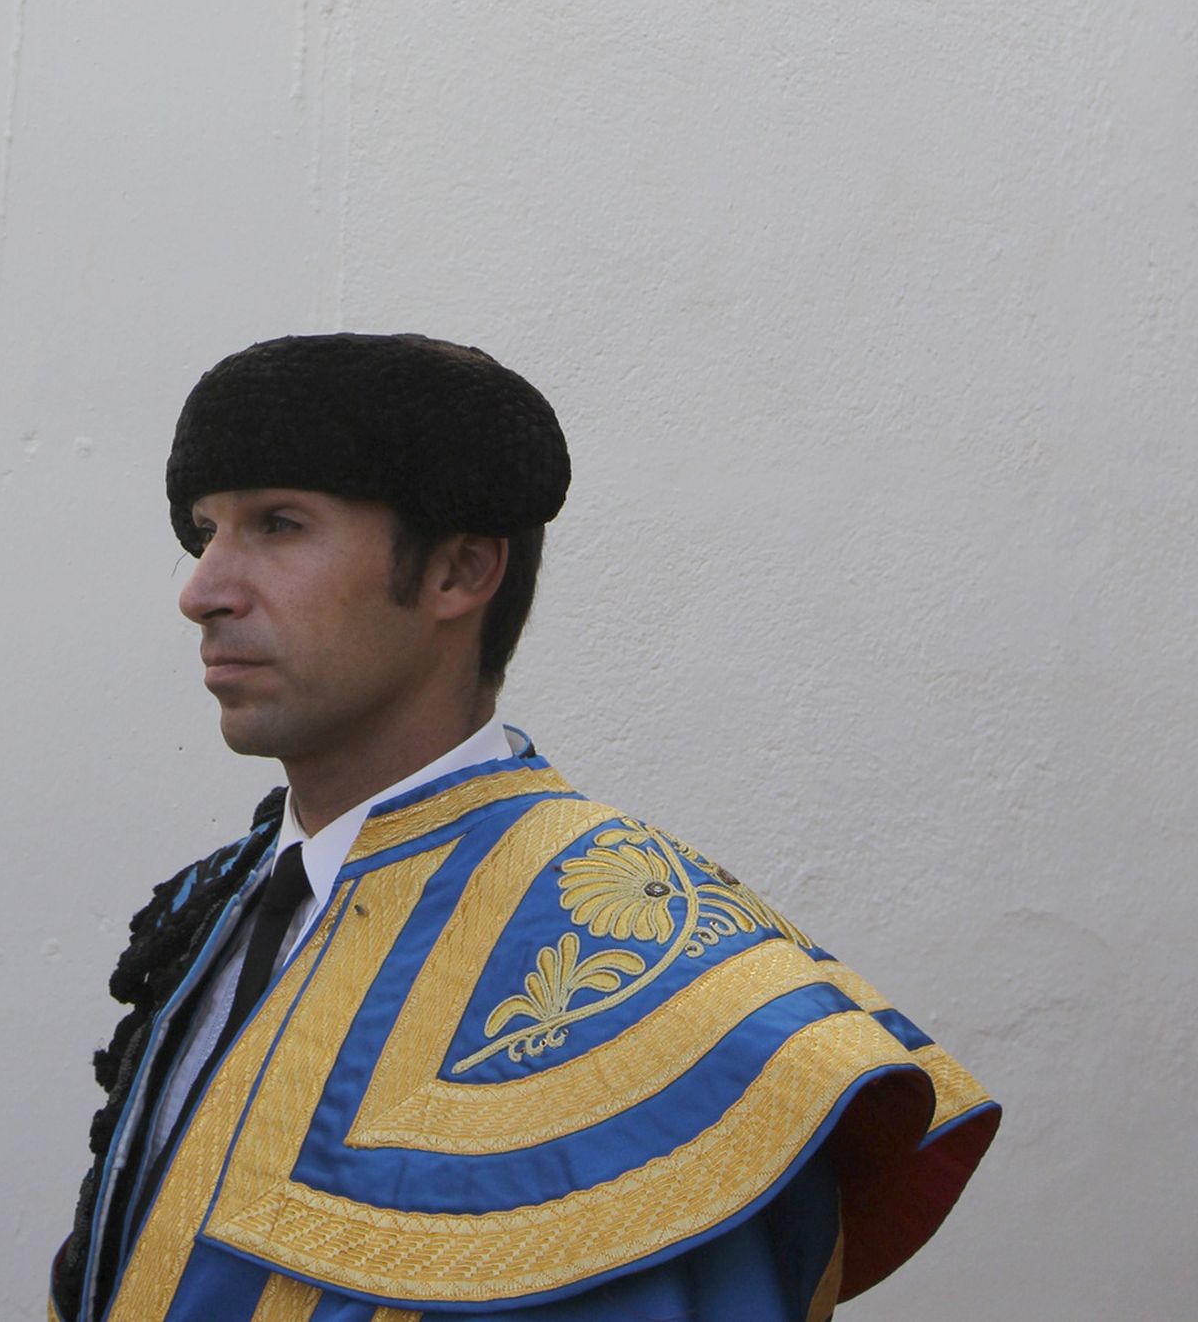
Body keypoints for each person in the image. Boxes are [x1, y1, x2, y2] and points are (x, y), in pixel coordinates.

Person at [50, 333, 997, 1322]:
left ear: (459, 573)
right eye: (205, 531)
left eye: (279, 525)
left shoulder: (694, 997)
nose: (201, 589)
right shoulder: (213, 913)